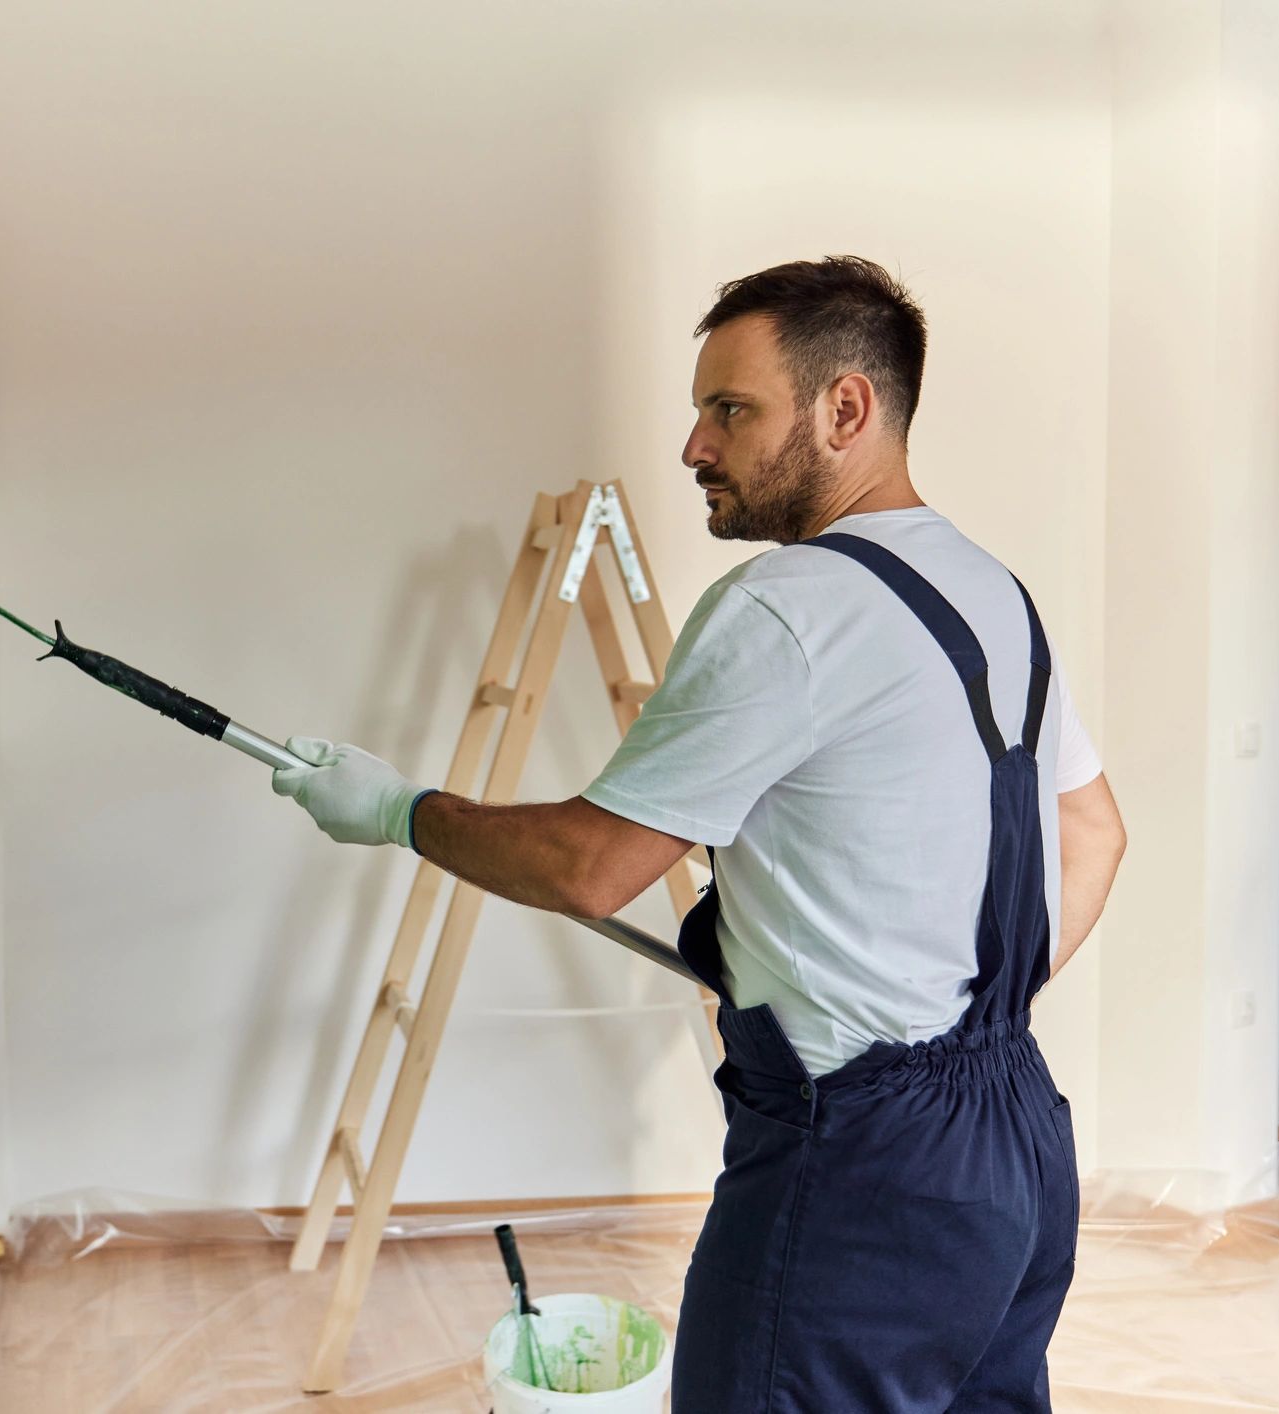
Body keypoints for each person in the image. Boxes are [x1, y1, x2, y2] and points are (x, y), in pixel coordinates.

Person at [271, 255, 1128, 1412]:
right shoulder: (992, 592)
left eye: (729, 409)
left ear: (843, 409)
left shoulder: (784, 608)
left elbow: (590, 866)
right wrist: (950, 1024)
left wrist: (396, 811)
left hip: (860, 1178)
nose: (691, 446)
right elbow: (1093, 832)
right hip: (1016, 1139)